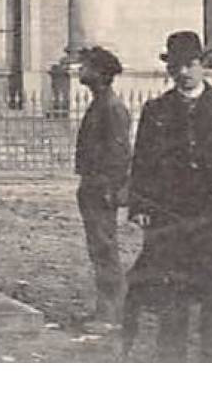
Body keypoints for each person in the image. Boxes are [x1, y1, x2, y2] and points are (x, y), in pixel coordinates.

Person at [126, 30, 212, 361]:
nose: (183, 73)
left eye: (190, 65)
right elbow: (142, 161)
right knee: (172, 298)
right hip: (171, 217)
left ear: (203, 65)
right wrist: (140, 204)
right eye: (176, 66)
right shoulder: (156, 109)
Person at [74, 46, 132, 332]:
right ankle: (106, 309)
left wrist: (112, 188)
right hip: (93, 184)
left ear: (100, 73)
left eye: (85, 66)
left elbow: (121, 153)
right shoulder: (100, 103)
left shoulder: (111, 107)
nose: (80, 71)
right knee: (99, 248)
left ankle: (112, 314)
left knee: (104, 248)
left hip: (102, 187)